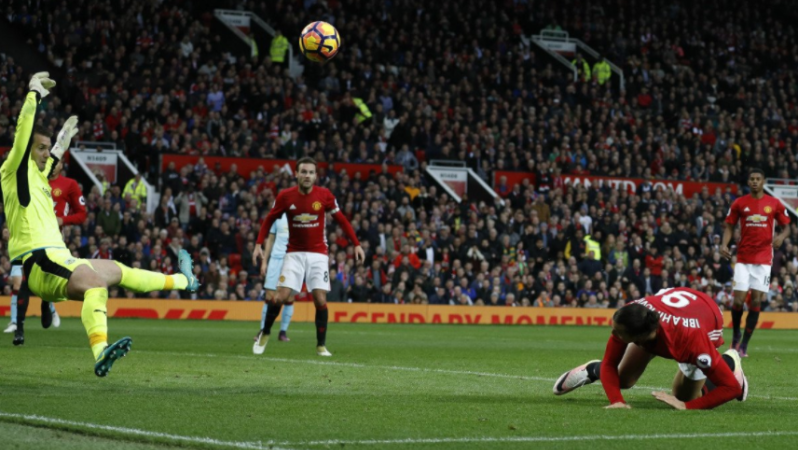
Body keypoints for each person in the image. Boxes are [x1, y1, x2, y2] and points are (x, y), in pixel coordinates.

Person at [1, 72, 199, 377]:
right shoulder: (13, 169)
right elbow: (23, 134)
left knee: (118, 271)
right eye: (39, 148)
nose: (45, 153)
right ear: (27, 149)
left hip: (57, 256)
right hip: (38, 260)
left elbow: (50, 161)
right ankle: (100, 351)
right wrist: (33, 95)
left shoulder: (38, 176)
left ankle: (184, 282)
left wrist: (60, 145)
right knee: (95, 285)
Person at [553, 287, 747, 410]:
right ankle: (592, 369)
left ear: (640, 338)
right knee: (622, 380)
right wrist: (617, 401)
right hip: (670, 303)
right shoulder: (635, 313)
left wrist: (687, 405)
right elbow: (611, 362)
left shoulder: (692, 342)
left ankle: (729, 361)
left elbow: (731, 389)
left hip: (705, 317)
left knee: (684, 396)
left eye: (620, 334)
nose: (615, 336)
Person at [254, 157, 365, 357]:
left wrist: (356, 243)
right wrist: (257, 245)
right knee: (279, 296)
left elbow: (341, 220)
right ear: (296, 174)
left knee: (320, 298)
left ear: (316, 176)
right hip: (294, 254)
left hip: (318, 254)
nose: (307, 175)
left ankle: (321, 345)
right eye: (303, 172)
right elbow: (269, 219)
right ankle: (266, 332)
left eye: (311, 172)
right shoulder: (285, 196)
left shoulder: (324, 195)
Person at [11, 157, 83, 344]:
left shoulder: (69, 184)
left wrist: (62, 220)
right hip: (30, 238)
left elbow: (82, 214)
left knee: (46, 279)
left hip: (54, 242)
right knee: (23, 282)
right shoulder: (33, 178)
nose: (52, 165)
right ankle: (19, 329)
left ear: (61, 165)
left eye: (56, 162)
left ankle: (45, 301)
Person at [720, 168, 790, 357]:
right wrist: (724, 243)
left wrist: (782, 237)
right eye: (752, 179)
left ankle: (744, 345)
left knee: (757, 300)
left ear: (764, 181)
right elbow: (729, 225)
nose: (754, 182)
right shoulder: (739, 203)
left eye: (758, 179)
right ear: (748, 181)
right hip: (743, 258)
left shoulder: (773, 203)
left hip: (764, 259)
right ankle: (735, 334)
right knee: (738, 300)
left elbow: (787, 227)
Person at [252, 212, 295, 355]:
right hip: (276, 259)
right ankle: (263, 330)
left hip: (292, 260)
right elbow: (270, 239)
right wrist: (264, 261)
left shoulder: (299, 216)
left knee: (289, 298)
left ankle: (283, 332)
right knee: (269, 296)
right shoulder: (277, 216)